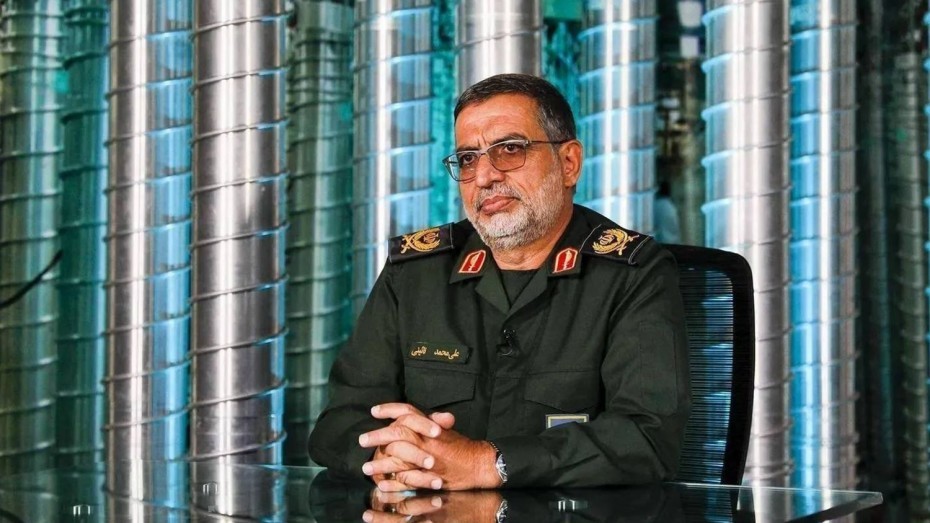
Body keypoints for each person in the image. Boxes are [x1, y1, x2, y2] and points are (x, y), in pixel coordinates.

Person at [308, 74, 690, 491]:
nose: (484, 176)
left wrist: (487, 464)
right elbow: (339, 422)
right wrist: (388, 455)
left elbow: (647, 437)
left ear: (569, 163)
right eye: (468, 159)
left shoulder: (633, 272)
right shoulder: (415, 273)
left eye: (510, 149)